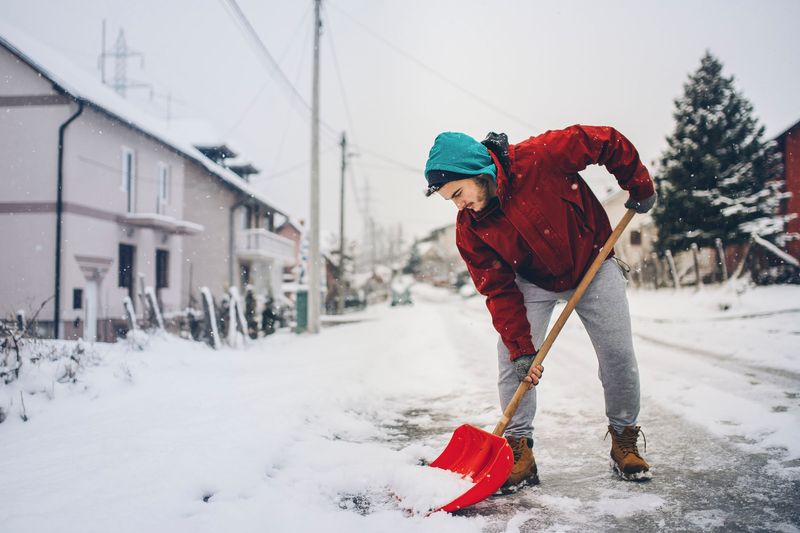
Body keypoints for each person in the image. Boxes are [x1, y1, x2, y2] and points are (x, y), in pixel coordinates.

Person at [423, 125, 656, 490]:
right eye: (450, 200)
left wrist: (637, 183)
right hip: (532, 280)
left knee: (618, 354)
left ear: (475, 172)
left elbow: (606, 141)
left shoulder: (540, 156)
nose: (459, 204)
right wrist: (521, 348)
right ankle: (518, 450)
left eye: (458, 193)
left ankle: (624, 439)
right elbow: (497, 290)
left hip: (593, 262)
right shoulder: (470, 228)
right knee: (513, 363)